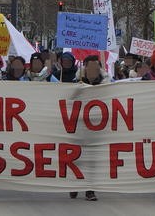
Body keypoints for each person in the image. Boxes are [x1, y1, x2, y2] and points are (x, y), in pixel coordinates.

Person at [70, 55, 107, 201]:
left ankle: (90, 190)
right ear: (85, 67)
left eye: (96, 67)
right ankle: (74, 185)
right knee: (77, 158)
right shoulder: (76, 82)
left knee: (92, 160)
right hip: (78, 126)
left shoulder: (106, 83)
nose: (93, 69)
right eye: (90, 66)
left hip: (97, 126)